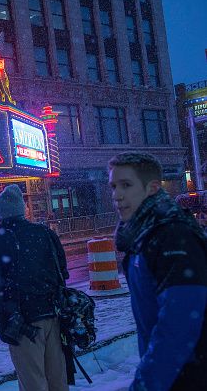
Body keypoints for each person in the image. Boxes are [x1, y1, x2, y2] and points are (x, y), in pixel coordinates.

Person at [108, 152, 207, 391]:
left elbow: (179, 325)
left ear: (152, 188)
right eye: (113, 186)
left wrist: (147, 383)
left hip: (189, 377)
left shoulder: (172, 236)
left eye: (126, 185)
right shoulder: (143, 235)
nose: (117, 195)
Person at [0, 184, 70, 391]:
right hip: (53, 314)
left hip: (22, 321)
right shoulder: (45, 233)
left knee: (33, 381)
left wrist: (1, 326)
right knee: (57, 378)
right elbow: (62, 272)